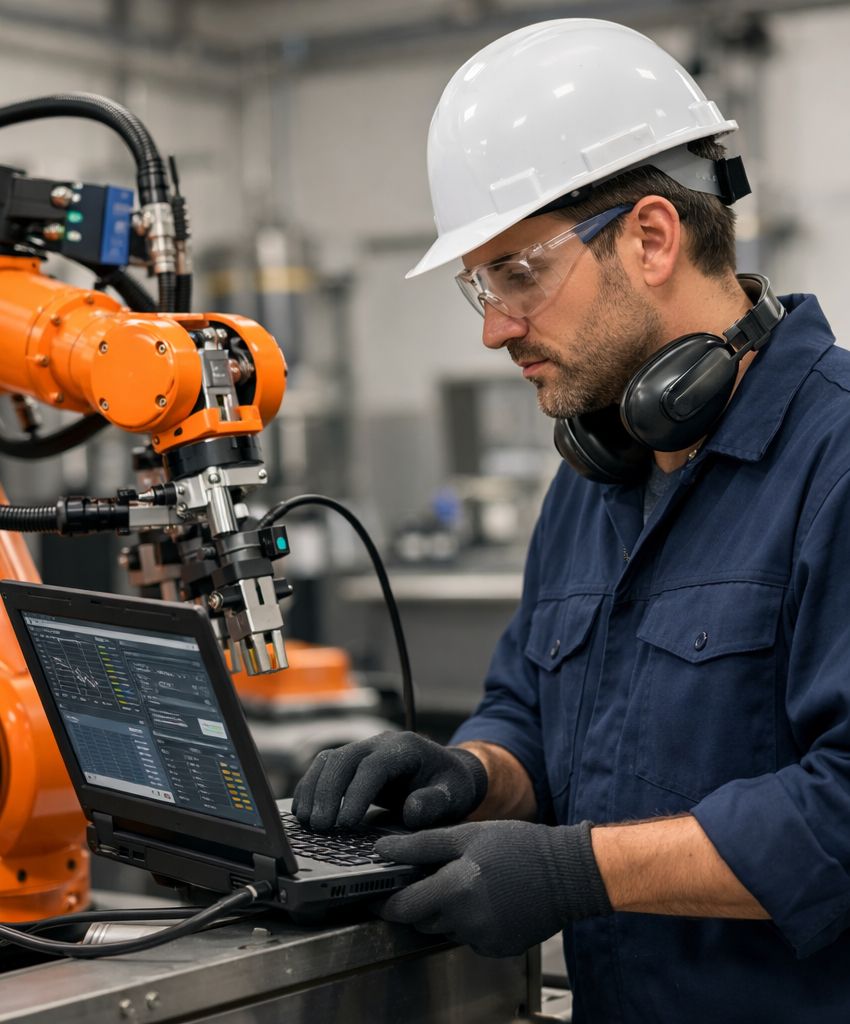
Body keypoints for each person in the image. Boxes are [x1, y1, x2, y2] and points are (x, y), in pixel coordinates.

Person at [291, 18, 850, 1022]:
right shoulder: (595, 477)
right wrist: (468, 772)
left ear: (648, 237)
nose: (493, 325)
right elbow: (535, 723)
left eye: (516, 272)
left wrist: (573, 871)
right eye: (482, 281)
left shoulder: (834, 460)